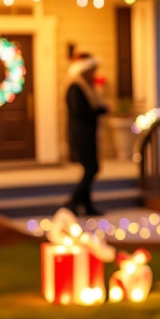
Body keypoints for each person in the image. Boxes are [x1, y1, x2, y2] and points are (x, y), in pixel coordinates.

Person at [64, 53, 108, 216]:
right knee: (91, 168)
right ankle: (73, 201)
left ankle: (86, 205)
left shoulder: (87, 88)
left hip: (88, 134)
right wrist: (99, 111)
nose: (93, 74)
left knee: (91, 168)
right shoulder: (75, 87)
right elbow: (80, 111)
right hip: (81, 135)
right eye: (91, 70)